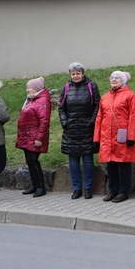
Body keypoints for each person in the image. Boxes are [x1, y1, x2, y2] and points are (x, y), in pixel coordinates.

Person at [93, 71, 135, 203]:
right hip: (107, 137)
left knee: (123, 165)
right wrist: (96, 139)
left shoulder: (130, 96)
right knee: (111, 165)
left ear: (123, 80)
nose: (113, 79)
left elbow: (133, 117)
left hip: (122, 137)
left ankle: (123, 192)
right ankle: (112, 191)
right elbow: (99, 118)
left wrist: (131, 136)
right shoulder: (105, 97)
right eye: (112, 77)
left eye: (117, 78)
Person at [58, 62, 100, 199]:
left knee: (87, 159)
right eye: (73, 74)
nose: (75, 76)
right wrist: (64, 122)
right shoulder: (66, 87)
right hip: (71, 129)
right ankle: (77, 189)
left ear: (82, 74)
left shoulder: (91, 86)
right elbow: (61, 107)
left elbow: (97, 105)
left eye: (78, 73)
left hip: (87, 128)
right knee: (73, 160)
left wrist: (91, 121)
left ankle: (88, 188)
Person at [15, 77, 52, 197]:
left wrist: (39, 138)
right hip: (27, 136)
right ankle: (35, 185)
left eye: (29, 88)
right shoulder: (31, 100)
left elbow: (44, 121)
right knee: (30, 161)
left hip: (35, 137)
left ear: (35, 88)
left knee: (34, 161)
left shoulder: (42, 101)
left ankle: (41, 187)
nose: (27, 90)